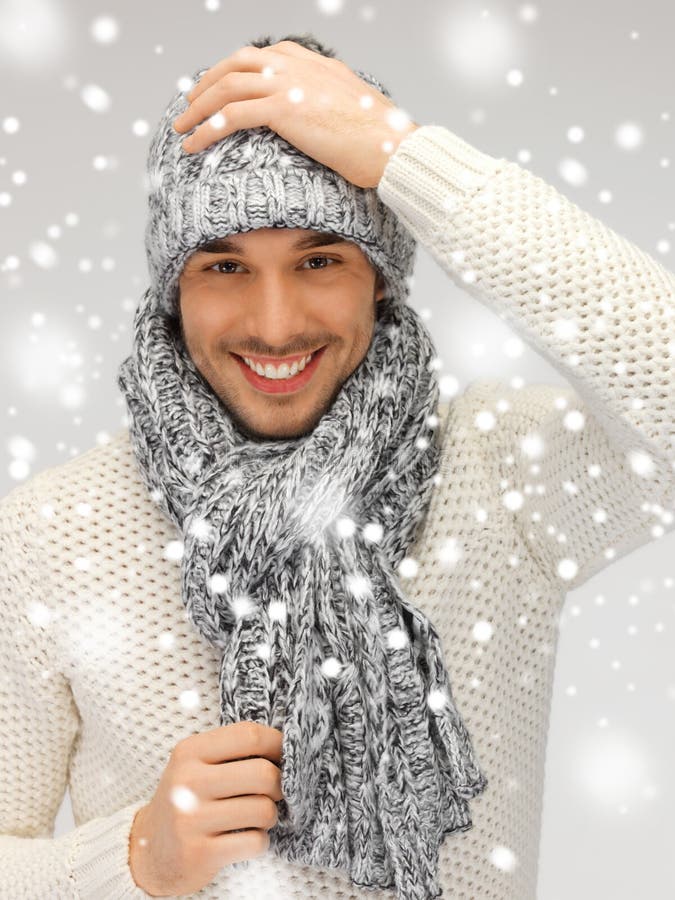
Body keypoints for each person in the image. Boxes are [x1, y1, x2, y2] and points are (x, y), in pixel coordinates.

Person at [1, 29, 673, 900]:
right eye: (224, 265)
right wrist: (129, 858)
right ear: (173, 290)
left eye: (320, 259)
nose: (275, 324)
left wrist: (406, 158)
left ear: (382, 279)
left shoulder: (502, 473)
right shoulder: (50, 534)